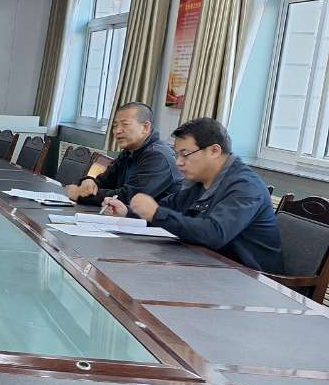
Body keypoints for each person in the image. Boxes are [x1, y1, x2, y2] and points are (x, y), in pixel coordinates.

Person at [102, 117, 283, 273]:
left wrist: (156, 213)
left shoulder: (245, 186)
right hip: (206, 264)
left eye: (185, 154)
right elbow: (168, 209)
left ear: (214, 151)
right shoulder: (200, 181)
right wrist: (128, 212)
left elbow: (214, 234)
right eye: (177, 155)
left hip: (250, 279)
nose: (178, 163)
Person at [66, 102, 181, 205]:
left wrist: (80, 195)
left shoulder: (158, 156)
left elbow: (129, 197)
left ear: (145, 127)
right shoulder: (129, 151)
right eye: (115, 126)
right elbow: (104, 182)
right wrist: (88, 181)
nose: (117, 131)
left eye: (125, 124)